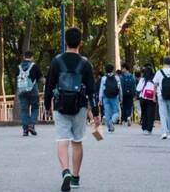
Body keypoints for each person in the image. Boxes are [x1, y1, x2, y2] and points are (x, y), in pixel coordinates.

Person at [44, 27, 100, 192]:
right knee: (77, 141)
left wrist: (47, 106)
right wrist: (95, 113)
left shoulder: (56, 61)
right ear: (80, 43)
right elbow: (91, 91)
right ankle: (75, 178)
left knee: (62, 139)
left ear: (65, 42)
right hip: (80, 106)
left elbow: (49, 86)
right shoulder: (85, 63)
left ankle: (65, 172)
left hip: (60, 106)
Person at [16, 51, 43, 136]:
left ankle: (25, 130)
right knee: (35, 108)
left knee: (24, 110)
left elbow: (16, 79)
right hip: (33, 91)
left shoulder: (19, 67)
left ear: (24, 57)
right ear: (32, 57)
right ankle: (31, 125)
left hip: (21, 91)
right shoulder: (34, 66)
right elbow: (41, 79)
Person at [99, 63, 122, 132]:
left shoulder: (104, 78)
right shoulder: (117, 77)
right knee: (116, 112)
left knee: (107, 112)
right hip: (115, 97)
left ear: (105, 70)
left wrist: (100, 99)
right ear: (113, 70)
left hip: (106, 97)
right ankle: (112, 122)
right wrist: (121, 97)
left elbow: (101, 89)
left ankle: (109, 126)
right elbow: (120, 89)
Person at [136, 66, 156, 134]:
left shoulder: (143, 79)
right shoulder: (154, 79)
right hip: (151, 98)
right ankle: (149, 128)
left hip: (143, 98)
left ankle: (144, 127)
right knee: (150, 114)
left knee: (144, 113)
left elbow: (138, 89)